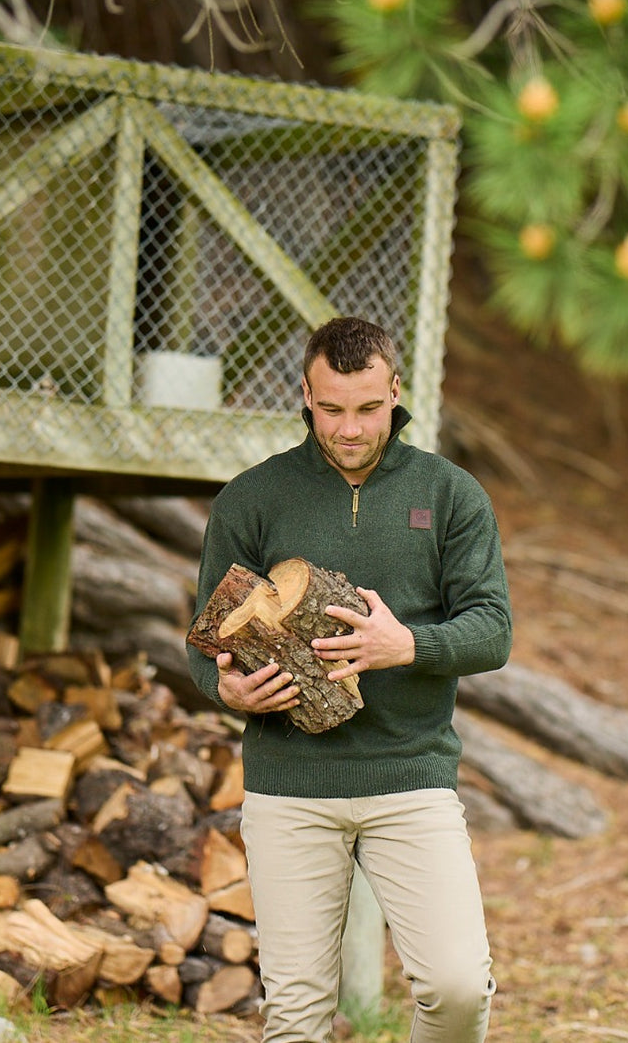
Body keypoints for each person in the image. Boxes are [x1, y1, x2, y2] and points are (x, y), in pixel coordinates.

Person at [186, 316, 513, 1043]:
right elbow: (201, 645)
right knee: (296, 1014)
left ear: (396, 391)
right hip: (289, 783)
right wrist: (225, 690)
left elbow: (493, 629)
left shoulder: (450, 494)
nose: (351, 428)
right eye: (331, 408)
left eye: (369, 408)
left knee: (458, 990)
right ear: (304, 394)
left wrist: (409, 645)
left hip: (412, 777)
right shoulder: (252, 498)